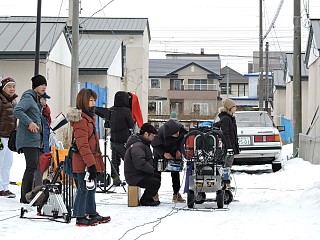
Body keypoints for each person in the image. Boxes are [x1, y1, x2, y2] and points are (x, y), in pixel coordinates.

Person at [67, 88, 110, 227]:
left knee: (91, 187)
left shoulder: (89, 118)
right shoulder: (81, 120)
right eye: (90, 100)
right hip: (83, 160)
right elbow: (83, 145)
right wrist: (90, 164)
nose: (93, 103)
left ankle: (91, 212)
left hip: (90, 159)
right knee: (83, 188)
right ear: (83, 102)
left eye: (94, 100)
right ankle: (80, 216)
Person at [13, 75, 47, 203]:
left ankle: (29, 196)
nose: (44, 87)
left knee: (33, 167)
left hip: (35, 139)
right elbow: (17, 110)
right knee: (31, 167)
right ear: (35, 86)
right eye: (41, 84)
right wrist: (29, 123)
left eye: (45, 85)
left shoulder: (36, 99)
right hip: (28, 139)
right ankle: (25, 198)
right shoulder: (28, 97)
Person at [124, 123, 161, 206]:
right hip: (134, 176)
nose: (153, 137)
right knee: (155, 182)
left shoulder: (142, 143)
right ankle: (145, 200)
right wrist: (152, 170)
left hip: (138, 174)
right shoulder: (138, 145)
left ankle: (149, 197)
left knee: (157, 176)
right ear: (146, 134)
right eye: (152, 135)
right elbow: (140, 163)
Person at [151, 119, 188, 203]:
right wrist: (163, 153)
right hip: (160, 153)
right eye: (175, 134)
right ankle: (154, 193)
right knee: (156, 173)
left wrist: (179, 150)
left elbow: (182, 142)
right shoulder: (160, 135)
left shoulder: (181, 131)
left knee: (175, 172)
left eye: (178, 132)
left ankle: (176, 193)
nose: (177, 134)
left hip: (174, 151)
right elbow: (154, 145)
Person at [109, 91, 135, 186]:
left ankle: (115, 177)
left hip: (113, 138)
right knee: (128, 160)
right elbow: (131, 125)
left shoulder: (111, 110)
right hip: (124, 140)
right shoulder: (126, 111)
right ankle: (131, 177)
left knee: (115, 160)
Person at [0, 77, 18, 198]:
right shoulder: (1, 100)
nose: (12, 89)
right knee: (0, 162)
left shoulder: (13, 102)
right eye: (9, 86)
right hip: (1, 136)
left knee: (8, 163)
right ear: (3, 88)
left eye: (13, 86)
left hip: (9, 137)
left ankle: (5, 187)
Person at [216, 98, 240, 188]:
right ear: (229, 108)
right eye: (234, 106)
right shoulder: (226, 119)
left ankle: (226, 182)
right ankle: (225, 183)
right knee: (226, 165)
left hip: (231, 145)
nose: (235, 108)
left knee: (227, 165)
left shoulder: (230, 118)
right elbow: (226, 134)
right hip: (228, 147)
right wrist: (229, 147)